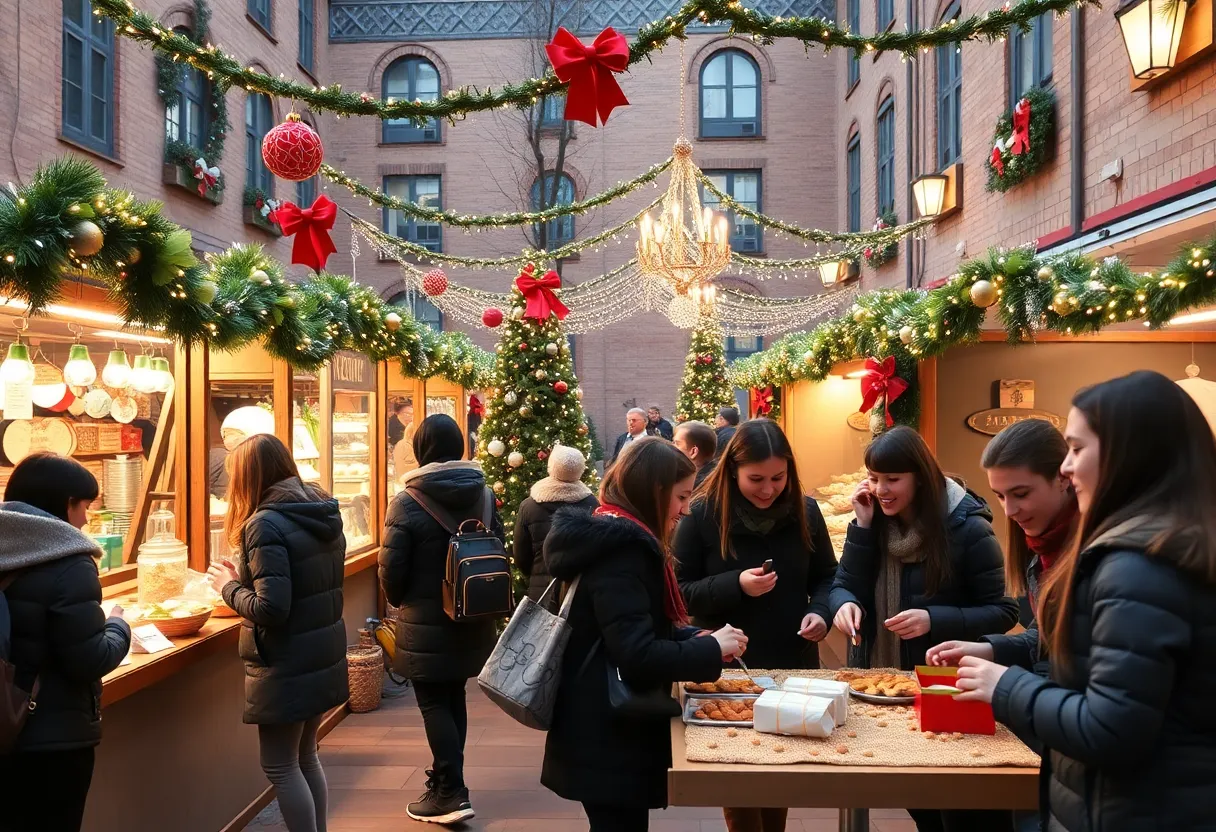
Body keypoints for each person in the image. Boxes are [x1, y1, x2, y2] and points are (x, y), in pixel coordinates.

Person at [952, 371, 1216, 832]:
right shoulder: (1166, 544)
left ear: (1127, 453)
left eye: (1076, 448)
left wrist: (1006, 686)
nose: (1068, 468)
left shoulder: (1136, 565)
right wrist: (999, 653)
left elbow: (1111, 728)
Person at [541, 437, 747, 832]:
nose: (685, 510)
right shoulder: (624, 553)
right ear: (654, 493)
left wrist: (698, 639)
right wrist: (707, 649)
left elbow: (637, 627)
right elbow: (637, 655)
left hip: (599, 725)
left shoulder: (613, 534)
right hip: (608, 732)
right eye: (681, 497)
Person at [829, 426, 1018, 832]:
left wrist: (934, 618)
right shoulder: (872, 520)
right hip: (882, 683)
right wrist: (843, 603)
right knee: (918, 802)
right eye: (874, 477)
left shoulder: (968, 528)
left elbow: (1003, 611)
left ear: (921, 477)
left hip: (946, 688)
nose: (881, 489)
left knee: (958, 808)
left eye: (893, 479)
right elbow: (845, 583)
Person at [675, 419, 838, 832]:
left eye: (778, 478)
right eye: (756, 479)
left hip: (792, 661)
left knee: (782, 771)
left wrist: (821, 612)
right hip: (727, 669)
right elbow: (679, 591)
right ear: (732, 470)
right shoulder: (700, 513)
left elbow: (826, 575)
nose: (768, 489)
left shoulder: (806, 510)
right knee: (740, 777)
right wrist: (736, 584)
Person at [208, 434, 347, 832]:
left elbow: (272, 608)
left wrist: (227, 587)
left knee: (281, 766)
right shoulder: (320, 509)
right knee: (306, 757)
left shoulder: (264, 523)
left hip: (285, 661)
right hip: (320, 652)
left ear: (248, 476)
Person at [379, 414, 502, 825]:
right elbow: (497, 546)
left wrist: (399, 600)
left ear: (421, 450)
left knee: (433, 700)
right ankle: (451, 784)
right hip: (472, 615)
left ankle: (450, 792)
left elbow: (392, 571)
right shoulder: (483, 494)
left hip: (426, 618)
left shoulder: (406, 501)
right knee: (453, 697)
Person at [0, 453, 132, 832]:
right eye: (85, 505)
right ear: (65, 503)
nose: (87, 518)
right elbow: (90, 658)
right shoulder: (69, 560)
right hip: (51, 739)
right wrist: (119, 625)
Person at [515, 443, 599, 610]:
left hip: (541, 593)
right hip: (579, 593)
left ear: (551, 467)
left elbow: (521, 556)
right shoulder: (592, 504)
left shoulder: (529, 506)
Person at [672, 420, 717, 489]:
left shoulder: (693, 487)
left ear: (693, 452)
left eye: (677, 443)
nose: (671, 446)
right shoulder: (717, 475)